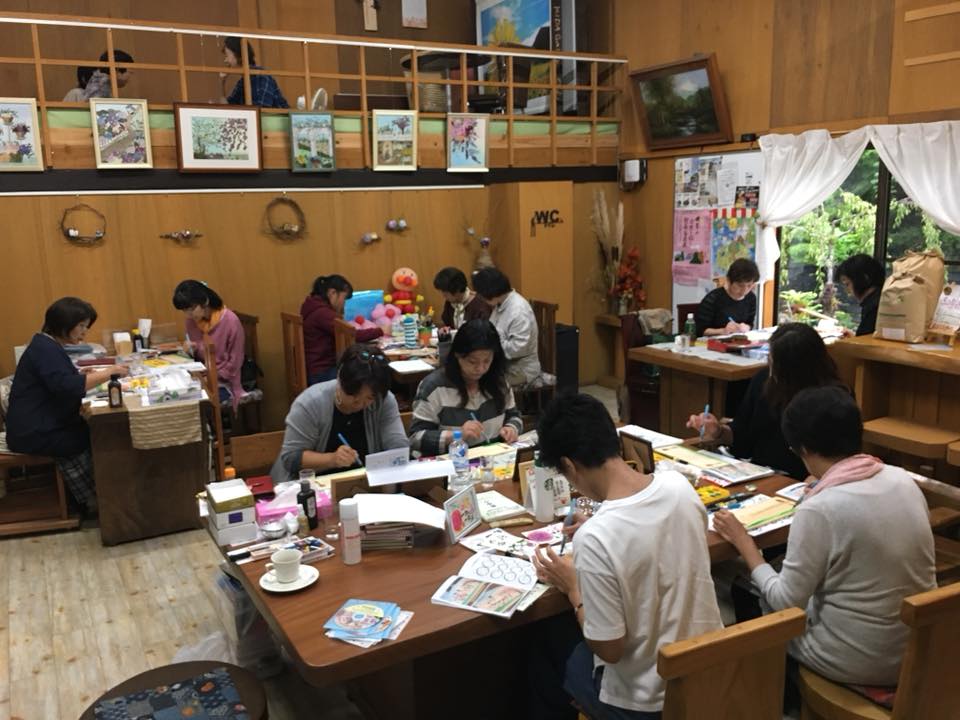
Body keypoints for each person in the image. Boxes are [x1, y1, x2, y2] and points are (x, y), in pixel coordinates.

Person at [713, 386, 935, 686]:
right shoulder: (901, 479)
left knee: (748, 594)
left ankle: (768, 698)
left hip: (859, 659)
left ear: (802, 449)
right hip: (918, 646)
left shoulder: (820, 509)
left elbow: (785, 602)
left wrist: (744, 543)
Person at [530, 394, 722, 719]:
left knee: (545, 641)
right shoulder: (679, 487)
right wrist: (599, 527)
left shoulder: (595, 538)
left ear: (569, 466)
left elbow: (610, 650)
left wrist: (573, 587)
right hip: (707, 672)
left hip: (646, 703)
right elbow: (654, 537)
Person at [5, 297, 128, 514]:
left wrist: (80, 375)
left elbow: (58, 380)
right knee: (90, 435)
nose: (84, 332)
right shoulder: (46, 349)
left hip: (31, 425)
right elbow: (66, 387)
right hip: (33, 432)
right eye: (81, 326)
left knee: (88, 428)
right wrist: (108, 372)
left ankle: (96, 494)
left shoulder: (45, 344)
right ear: (63, 324)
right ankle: (94, 500)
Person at [687, 323, 846, 480]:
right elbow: (742, 438)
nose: (770, 365)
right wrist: (718, 431)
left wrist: (817, 480)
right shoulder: (764, 380)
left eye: (774, 361)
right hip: (759, 472)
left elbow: (838, 458)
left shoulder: (831, 398)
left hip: (803, 481)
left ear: (793, 367)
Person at [271, 344, 408, 482]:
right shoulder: (310, 403)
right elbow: (291, 458)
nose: (360, 404)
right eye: (353, 395)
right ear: (340, 379)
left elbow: (398, 445)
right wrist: (332, 459)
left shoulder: (383, 401)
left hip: (363, 483)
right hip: (313, 485)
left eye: (369, 398)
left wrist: (398, 455)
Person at [409, 319, 522, 456]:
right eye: (472, 361)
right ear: (458, 355)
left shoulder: (499, 382)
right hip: (453, 463)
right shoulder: (434, 387)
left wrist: (511, 429)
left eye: (487, 361)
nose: (480, 368)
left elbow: (514, 416)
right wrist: (457, 435)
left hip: (494, 461)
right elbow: (415, 439)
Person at [172, 280, 246, 408]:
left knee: (194, 403)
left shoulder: (230, 321)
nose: (188, 315)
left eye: (192, 309)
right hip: (203, 376)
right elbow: (198, 356)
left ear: (205, 301)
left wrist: (210, 377)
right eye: (184, 310)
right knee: (176, 395)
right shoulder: (191, 321)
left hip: (226, 381)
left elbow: (235, 363)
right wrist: (190, 350)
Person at [302, 275, 382, 385]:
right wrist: (380, 331)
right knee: (369, 371)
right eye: (344, 298)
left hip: (316, 369)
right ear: (333, 293)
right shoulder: (323, 313)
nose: (344, 303)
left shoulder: (313, 307)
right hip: (322, 373)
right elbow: (352, 335)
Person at [472, 267, 541, 387]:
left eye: (482, 296)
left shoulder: (518, 311)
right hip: (503, 364)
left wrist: (491, 347)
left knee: (480, 382)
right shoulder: (500, 303)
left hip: (521, 368)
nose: (481, 299)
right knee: (469, 373)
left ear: (490, 293)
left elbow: (518, 349)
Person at [694, 258, 760, 337]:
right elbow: (699, 330)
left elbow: (750, 323)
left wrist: (746, 327)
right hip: (713, 342)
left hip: (739, 341)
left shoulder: (751, 298)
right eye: (740, 286)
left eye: (749, 285)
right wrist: (723, 331)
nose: (744, 291)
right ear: (728, 281)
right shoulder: (713, 299)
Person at [219, 36, 289, 108]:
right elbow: (227, 108)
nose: (225, 60)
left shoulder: (260, 76)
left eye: (227, 55)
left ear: (238, 54)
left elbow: (261, 110)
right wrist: (222, 82)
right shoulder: (242, 82)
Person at [835, 253, 885, 336]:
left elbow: (866, 341)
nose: (847, 290)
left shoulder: (874, 306)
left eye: (847, 284)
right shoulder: (881, 298)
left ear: (864, 279)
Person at [63, 50, 134, 102]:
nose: (130, 77)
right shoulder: (101, 84)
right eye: (130, 72)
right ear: (117, 70)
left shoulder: (105, 85)